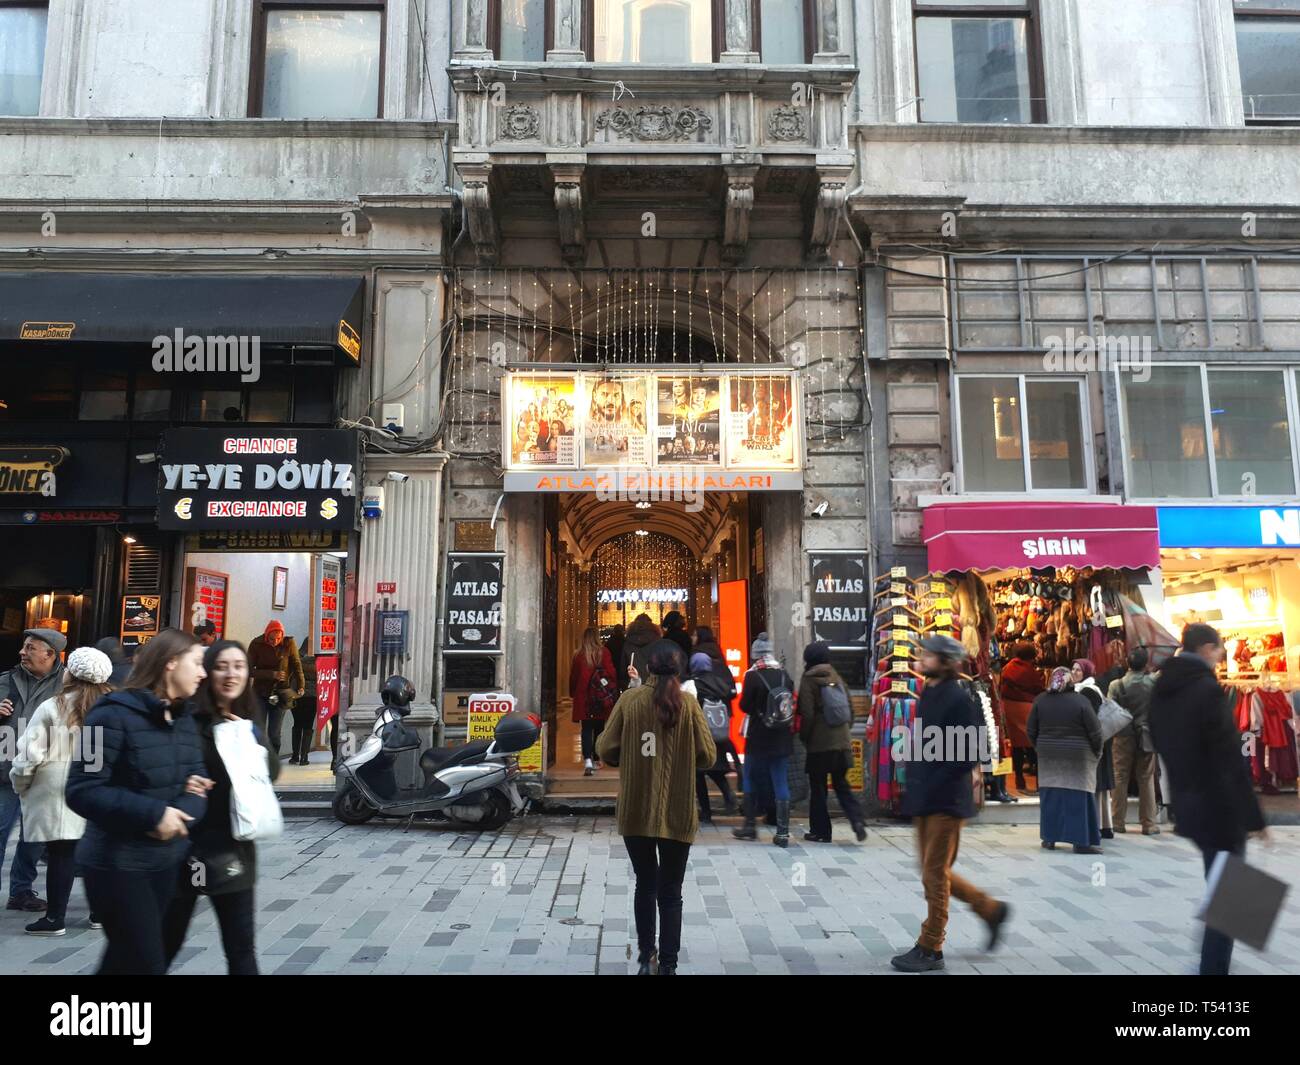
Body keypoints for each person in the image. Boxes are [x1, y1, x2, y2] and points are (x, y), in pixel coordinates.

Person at [65, 629, 211, 975]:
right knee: (145, 964)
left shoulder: (184, 717)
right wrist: (154, 814)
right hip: (117, 864)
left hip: (170, 862)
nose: (203, 673)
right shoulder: (107, 714)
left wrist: (183, 811)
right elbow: (81, 789)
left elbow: (198, 784)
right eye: (197, 663)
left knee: (127, 962)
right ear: (171, 663)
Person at [1150, 623, 1266, 976]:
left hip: (1190, 803)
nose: (1219, 657)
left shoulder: (1164, 687)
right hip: (1220, 807)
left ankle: (1211, 964)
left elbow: (1158, 735)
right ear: (1205, 649)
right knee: (1231, 896)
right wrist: (1255, 818)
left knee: (1224, 888)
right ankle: (1211, 969)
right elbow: (1229, 757)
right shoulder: (1206, 690)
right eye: (1217, 651)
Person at [891, 634, 1009, 973]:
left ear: (945, 660)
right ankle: (990, 909)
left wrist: (940, 778)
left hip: (947, 799)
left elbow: (973, 748)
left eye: (927, 655)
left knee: (933, 872)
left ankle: (931, 946)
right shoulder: (929, 690)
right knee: (932, 870)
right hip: (925, 796)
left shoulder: (961, 696)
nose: (920, 658)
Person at [163, 640, 279, 975]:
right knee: (166, 942)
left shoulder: (247, 722)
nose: (231, 674)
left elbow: (270, 773)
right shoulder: (187, 719)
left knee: (241, 948)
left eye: (239, 666)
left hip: (233, 851)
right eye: (221, 666)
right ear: (206, 672)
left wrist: (243, 738)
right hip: (186, 849)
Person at [597, 647, 715, 975]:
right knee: (671, 892)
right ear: (678, 669)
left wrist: (630, 755)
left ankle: (646, 957)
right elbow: (708, 756)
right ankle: (668, 966)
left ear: (647, 667)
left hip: (636, 808)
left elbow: (605, 748)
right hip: (678, 810)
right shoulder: (688, 705)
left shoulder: (630, 701)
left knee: (645, 884)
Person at [9, 646, 114, 935]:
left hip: (57, 788)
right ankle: (99, 913)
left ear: (72, 674)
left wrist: (21, 783)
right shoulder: (113, 707)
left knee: (61, 853)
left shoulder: (53, 706)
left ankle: (55, 918)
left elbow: (29, 754)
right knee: (94, 852)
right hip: (100, 789)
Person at [0, 627, 67, 913]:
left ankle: (21, 892)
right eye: (24, 647)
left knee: (34, 837)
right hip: (6, 770)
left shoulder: (66, 686)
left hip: (44, 773)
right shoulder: (5, 680)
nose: (22, 653)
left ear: (50, 654)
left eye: (30, 648)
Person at [1029, 667, 1103, 854]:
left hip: (1048, 757)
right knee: (1078, 798)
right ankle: (1080, 842)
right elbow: (1095, 732)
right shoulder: (1081, 701)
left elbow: (1031, 730)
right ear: (1070, 682)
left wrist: (1040, 747)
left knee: (1051, 797)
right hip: (1079, 757)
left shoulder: (1040, 701)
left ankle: (1049, 838)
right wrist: (1097, 751)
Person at [799, 641, 866, 843]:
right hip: (842, 743)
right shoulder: (837, 677)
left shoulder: (808, 680)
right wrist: (845, 732)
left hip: (819, 746)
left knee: (818, 789)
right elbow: (851, 711)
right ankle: (857, 821)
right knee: (842, 785)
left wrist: (806, 737)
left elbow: (807, 714)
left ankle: (821, 832)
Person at [733, 633, 795, 848]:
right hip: (781, 737)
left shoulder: (753, 676)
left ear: (755, 655)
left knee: (750, 777)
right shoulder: (784, 674)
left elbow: (744, 706)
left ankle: (750, 826)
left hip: (758, 737)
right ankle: (783, 832)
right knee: (780, 780)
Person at [1108, 647, 1160, 836]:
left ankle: (1117, 821)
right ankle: (1149, 823)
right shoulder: (1153, 682)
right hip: (1146, 734)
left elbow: (1109, 710)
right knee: (1146, 778)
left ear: (1127, 663)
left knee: (1120, 777)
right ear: (1146, 664)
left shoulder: (1116, 685)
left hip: (1122, 735)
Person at [689, 652, 737, 822]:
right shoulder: (718, 681)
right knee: (716, 769)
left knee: (699, 773)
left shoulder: (694, 684)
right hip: (719, 732)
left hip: (700, 733)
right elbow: (731, 694)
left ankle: (707, 812)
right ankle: (729, 796)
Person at [1071, 658, 1115, 840]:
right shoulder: (1082, 690)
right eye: (1072, 670)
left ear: (1086, 673)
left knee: (1094, 784)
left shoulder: (1088, 691)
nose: (1074, 673)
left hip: (1093, 745)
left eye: (1078, 671)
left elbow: (1091, 720)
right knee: (1096, 785)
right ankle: (1103, 825)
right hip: (1093, 743)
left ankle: (1096, 825)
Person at [247, 620, 304, 759]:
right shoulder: (256, 644)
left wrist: (301, 685)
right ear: (266, 635)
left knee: (274, 734)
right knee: (258, 730)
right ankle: (257, 761)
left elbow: (297, 665)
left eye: (278, 638)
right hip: (260, 692)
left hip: (280, 693)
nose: (275, 641)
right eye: (272, 639)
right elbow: (248, 670)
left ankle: (272, 763)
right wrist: (271, 674)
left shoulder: (288, 643)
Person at [569, 627, 617, 777]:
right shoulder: (604, 653)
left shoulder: (578, 655)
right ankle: (596, 759)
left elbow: (574, 678)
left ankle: (588, 760)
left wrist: (573, 693)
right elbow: (611, 674)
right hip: (599, 697)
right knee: (599, 729)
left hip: (584, 698)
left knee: (586, 729)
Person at [998, 643, 1044, 793]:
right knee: (1034, 745)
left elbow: (1001, 688)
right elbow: (1038, 688)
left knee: (1017, 745)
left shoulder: (1008, 668)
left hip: (1011, 709)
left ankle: (1019, 780)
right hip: (1028, 708)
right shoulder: (1029, 671)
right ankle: (1039, 782)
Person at [289, 641, 318, 766]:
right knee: (308, 724)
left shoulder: (297, 659)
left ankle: (295, 755)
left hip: (297, 694)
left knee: (297, 723)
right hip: (312, 696)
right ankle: (304, 757)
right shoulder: (319, 661)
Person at [620, 613, 661, 690]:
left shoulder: (628, 642)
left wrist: (624, 684)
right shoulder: (657, 641)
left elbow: (623, 668)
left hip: (634, 685)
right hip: (654, 686)